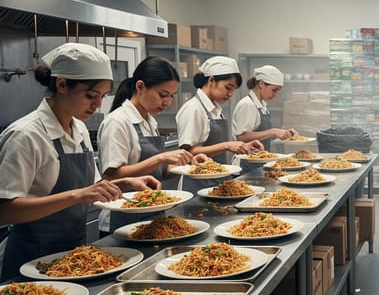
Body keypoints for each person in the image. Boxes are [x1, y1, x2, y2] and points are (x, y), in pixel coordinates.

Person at [0, 43, 160, 280]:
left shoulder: (80, 130)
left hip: (74, 259)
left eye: (103, 97)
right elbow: (4, 210)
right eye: (90, 95)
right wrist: (77, 195)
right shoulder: (27, 135)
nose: (97, 105)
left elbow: (94, 188)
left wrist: (128, 182)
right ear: (62, 84)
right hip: (31, 262)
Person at [98, 56, 205, 231]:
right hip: (123, 216)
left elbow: (160, 172)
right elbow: (112, 176)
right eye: (162, 95)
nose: (167, 102)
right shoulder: (118, 122)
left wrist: (190, 165)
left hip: (152, 213)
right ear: (140, 87)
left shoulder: (149, 121)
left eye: (170, 96)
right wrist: (160, 158)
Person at [175, 56, 262, 191]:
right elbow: (186, 152)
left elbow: (217, 145)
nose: (231, 94)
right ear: (211, 80)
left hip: (217, 180)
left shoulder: (215, 109)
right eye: (228, 87)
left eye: (234, 89)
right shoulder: (193, 109)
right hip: (198, 183)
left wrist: (243, 146)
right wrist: (226, 145)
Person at [232, 65, 298, 170]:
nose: (276, 94)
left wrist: (283, 133)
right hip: (247, 165)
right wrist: (273, 131)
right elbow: (241, 137)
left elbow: (262, 133)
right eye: (274, 90)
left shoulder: (262, 105)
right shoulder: (247, 104)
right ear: (262, 84)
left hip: (259, 162)